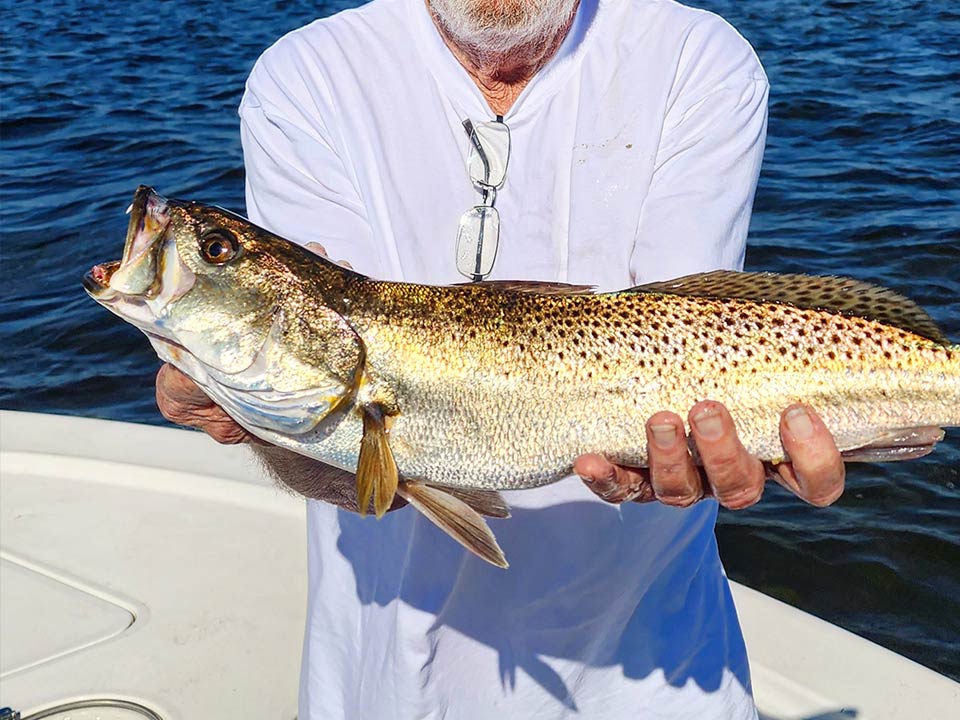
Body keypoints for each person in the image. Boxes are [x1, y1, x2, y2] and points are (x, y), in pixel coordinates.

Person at [156, 0, 866, 716]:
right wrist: (255, 422)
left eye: (216, 251)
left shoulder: (694, 56)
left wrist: (729, 446)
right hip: (386, 682)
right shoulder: (308, 75)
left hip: (657, 674)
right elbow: (339, 424)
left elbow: (692, 330)